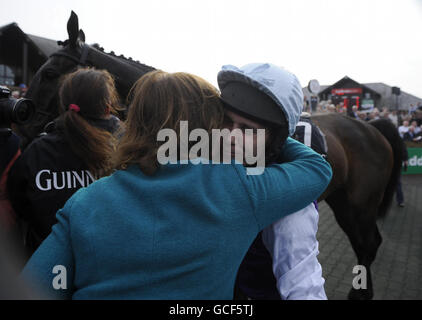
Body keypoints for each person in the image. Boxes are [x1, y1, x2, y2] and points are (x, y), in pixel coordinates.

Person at [21, 70, 332, 299]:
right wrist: (276, 133)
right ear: (207, 127)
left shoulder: (83, 202)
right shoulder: (240, 190)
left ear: (134, 124)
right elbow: (317, 168)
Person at [217, 63, 327, 300]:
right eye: (226, 121)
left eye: (247, 129)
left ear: (275, 140)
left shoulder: (290, 206)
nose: (230, 136)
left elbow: (304, 285)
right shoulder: (208, 163)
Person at [7, 68, 121, 256]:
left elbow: (19, 203)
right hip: (109, 268)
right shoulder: (126, 149)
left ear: (63, 104)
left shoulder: (37, 151)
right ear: (107, 108)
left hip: (45, 268)